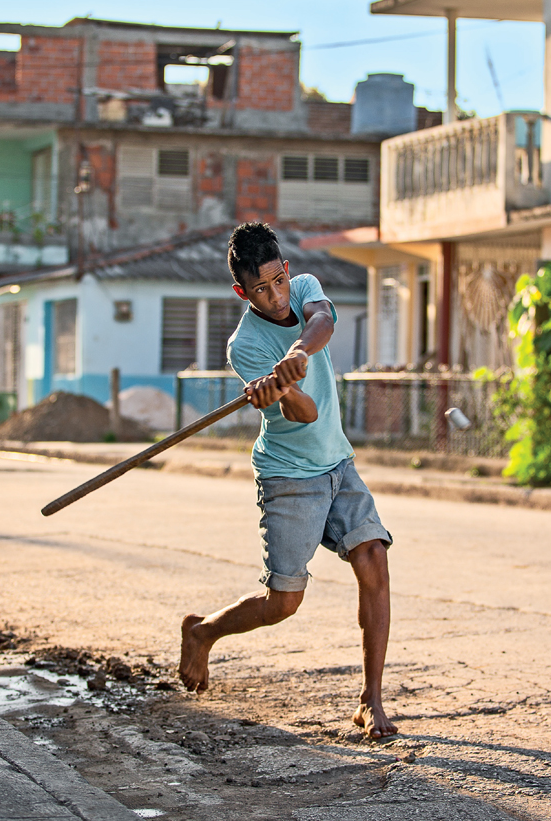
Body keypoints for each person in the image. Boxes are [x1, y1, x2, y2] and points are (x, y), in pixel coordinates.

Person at [178, 221, 397, 740]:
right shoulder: (244, 346)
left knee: (373, 557)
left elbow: (322, 323)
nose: (276, 297)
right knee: (284, 603)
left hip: (337, 463)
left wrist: (296, 356)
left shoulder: (304, 292)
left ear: (288, 271)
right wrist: (274, 386)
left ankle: (371, 700)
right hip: (289, 475)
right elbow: (304, 412)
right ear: (241, 292)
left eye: (279, 281)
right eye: (261, 289)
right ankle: (203, 632)